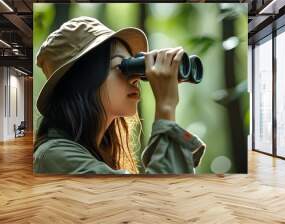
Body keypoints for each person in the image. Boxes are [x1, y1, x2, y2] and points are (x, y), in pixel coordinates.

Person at [33, 16, 206, 174]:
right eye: (122, 66)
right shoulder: (54, 156)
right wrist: (165, 106)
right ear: (83, 80)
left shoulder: (96, 153)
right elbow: (157, 200)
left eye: (133, 65)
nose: (136, 78)